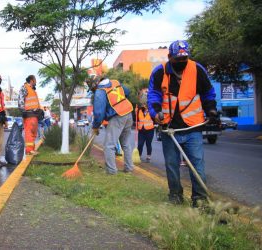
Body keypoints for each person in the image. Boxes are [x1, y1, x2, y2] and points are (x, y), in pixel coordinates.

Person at [147, 40, 218, 206]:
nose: (181, 63)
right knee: (172, 165)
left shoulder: (196, 69)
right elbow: (153, 96)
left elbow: (208, 93)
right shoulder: (159, 72)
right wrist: (156, 112)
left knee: (197, 164)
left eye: (184, 59)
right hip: (169, 128)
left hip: (192, 127)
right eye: (177, 59)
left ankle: (199, 199)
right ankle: (175, 196)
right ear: (170, 57)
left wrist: (212, 110)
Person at [90, 76, 134, 174]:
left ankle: (111, 171)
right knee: (126, 143)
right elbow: (126, 91)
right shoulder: (115, 82)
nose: (93, 90)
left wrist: (95, 126)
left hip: (117, 116)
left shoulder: (100, 91)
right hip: (128, 113)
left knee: (109, 145)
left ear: (94, 84)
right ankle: (129, 168)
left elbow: (98, 113)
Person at [18, 75, 43, 155]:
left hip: (34, 114)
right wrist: (23, 111)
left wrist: (40, 110)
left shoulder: (33, 90)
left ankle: (31, 149)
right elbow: (21, 99)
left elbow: (35, 102)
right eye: (35, 80)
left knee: (34, 132)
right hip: (28, 114)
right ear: (32, 80)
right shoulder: (24, 88)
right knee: (29, 132)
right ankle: (29, 150)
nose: (36, 82)